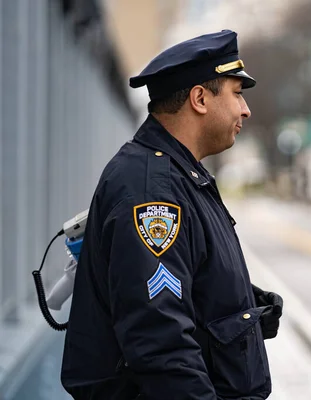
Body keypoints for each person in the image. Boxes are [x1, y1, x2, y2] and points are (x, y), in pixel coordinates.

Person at [61, 30, 283, 400]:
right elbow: (161, 342)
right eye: (237, 93)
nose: (245, 109)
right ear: (199, 98)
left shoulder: (177, 176)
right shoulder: (154, 192)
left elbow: (186, 286)